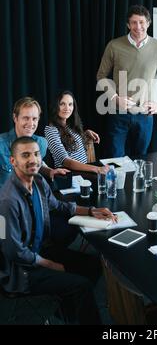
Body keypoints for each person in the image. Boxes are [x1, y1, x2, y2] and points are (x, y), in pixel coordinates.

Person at [0, 137, 116, 324]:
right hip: (20, 271)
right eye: (26, 155)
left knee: (94, 266)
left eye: (36, 154)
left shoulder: (37, 180)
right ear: (13, 161)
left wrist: (90, 211)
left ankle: (68, 312)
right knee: (82, 286)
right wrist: (50, 265)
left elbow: (58, 206)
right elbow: (13, 252)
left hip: (39, 251)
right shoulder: (6, 201)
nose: (33, 159)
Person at [96, 4, 157, 157]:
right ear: (128, 24)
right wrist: (115, 98)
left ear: (148, 23)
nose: (138, 26)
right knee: (116, 161)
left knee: (140, 160)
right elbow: (101, 76)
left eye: (141, 22)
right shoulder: (114, 45)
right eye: (134, 22)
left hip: (145, 115)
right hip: (118, 113)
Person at [0, 97, 68, 189]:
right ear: (15, 118)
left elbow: (37, 165)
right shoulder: (1, 144)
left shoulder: (41, 143)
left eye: (34, 119)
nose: (31, 123)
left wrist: (50, 171)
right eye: (26, 118)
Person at [45, 90, 108, 174]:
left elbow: (71, 141)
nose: (67, 108)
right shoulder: (51, 130)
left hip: (84, 171)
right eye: (62, 104)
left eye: (70, 104)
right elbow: (66, 161)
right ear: (55, 106)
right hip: (71, 174)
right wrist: (97, 169)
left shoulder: (70, 125)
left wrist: (85, 133)